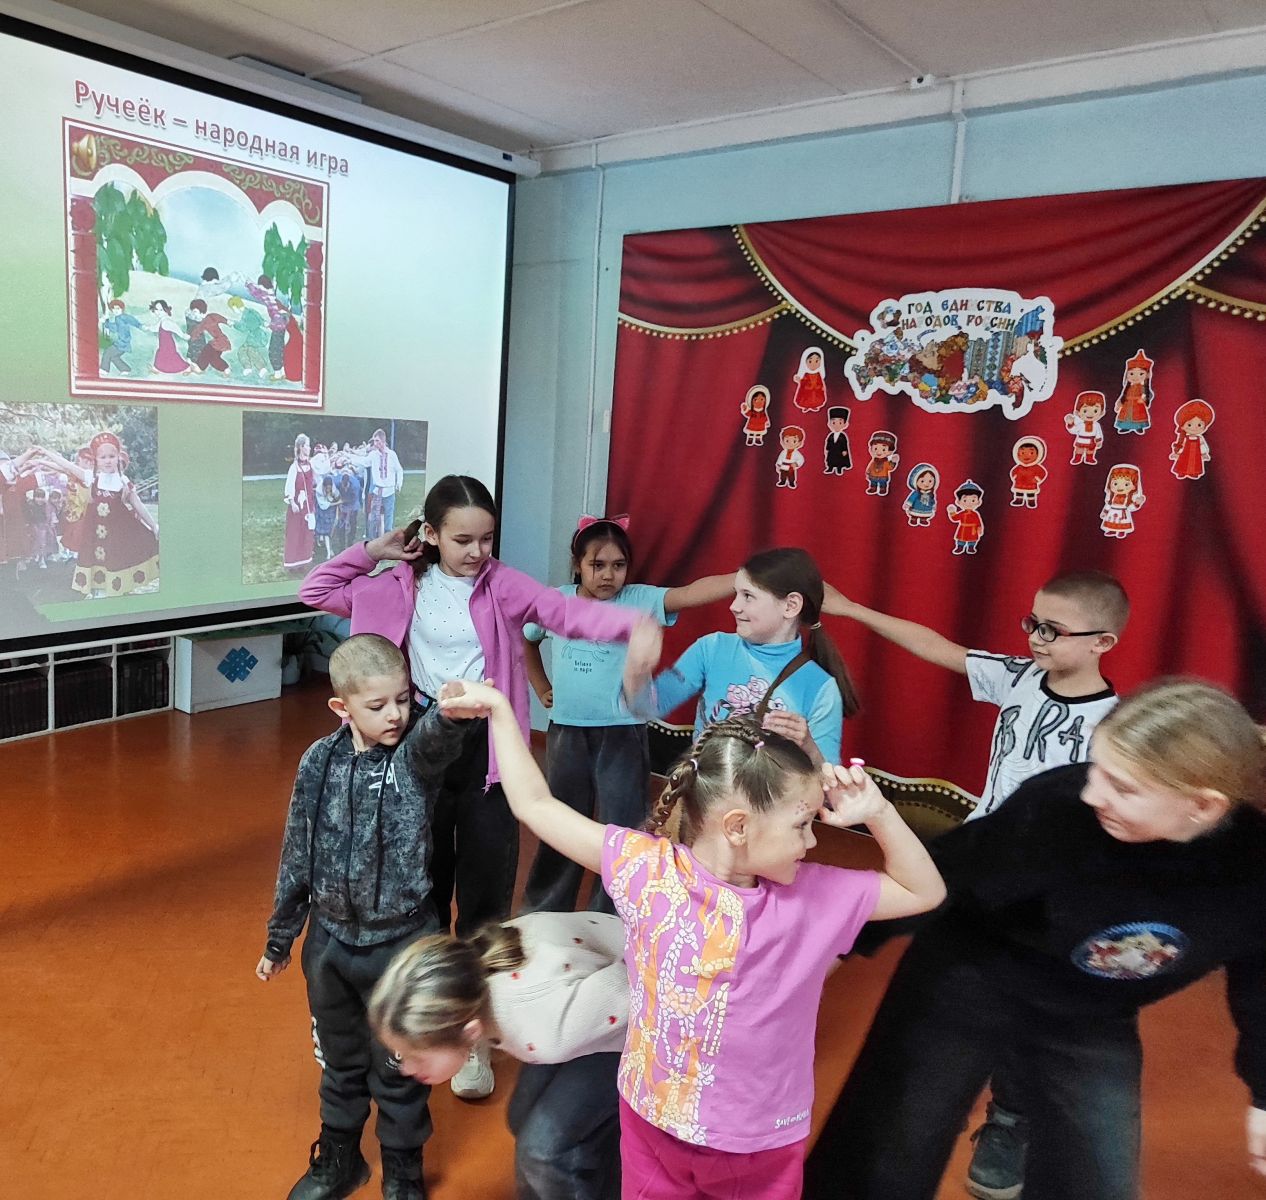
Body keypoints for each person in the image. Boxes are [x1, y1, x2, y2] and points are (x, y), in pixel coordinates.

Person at [438, 679, 946, 1200]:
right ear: (738, 826)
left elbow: (924, 891)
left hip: (757, 1147)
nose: (812, 841)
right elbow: (535, 805)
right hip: (651, 1128)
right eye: (801, 825)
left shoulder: (814, 895)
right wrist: (499, 707)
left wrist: (879, 811)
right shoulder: (647, 870)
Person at [804, 678, 1266, 1200]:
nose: (1092, 794)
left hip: (1090, 1012)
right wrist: (839, 943)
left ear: (1203, 806)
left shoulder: (1252, 869)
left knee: (1096, 1180)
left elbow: (1261, 979)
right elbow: (946, 876)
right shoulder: (1059, 807)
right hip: (971, 974)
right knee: (891, 1143)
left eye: (1123, 787)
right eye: (1096, 769)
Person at [299, 475, 660, 1100]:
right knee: (423, 887)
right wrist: (375, 550)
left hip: (489, 750)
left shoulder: (503, 585)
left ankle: (474, 1038)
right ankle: (423, 1014)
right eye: (462, 539)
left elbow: (564, 612)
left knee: (486, 888)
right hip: (417, 746)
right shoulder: (392, 585)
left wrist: (632, 625)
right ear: (431, 534)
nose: (476, 551)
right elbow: (315, 590)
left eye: (486, 539)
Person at [831, 569, 1128, 1197]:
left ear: (1102, 642)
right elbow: (938, 647)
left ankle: (1011, 1118)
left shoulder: (1116, 727)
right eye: (1032, 622)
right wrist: (855, 609)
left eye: (1053, 630)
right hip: (975, 862)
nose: (1036, 637)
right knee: (941, 986)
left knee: (1031, 1005)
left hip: (1046, 893)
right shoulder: (1019, 676)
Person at [255, 634, 465, 1200]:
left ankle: (403, 1169)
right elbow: (296, 851)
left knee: (399, 1068)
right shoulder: (317, 762)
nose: (395, 714)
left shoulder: (413, 759)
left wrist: (451, 715)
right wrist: (280, 937)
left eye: (403, 699)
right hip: (330, 947)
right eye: (377, 705)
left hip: (403, 945)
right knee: (340, 1060)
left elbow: (435, 740)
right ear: (341, 707)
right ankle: (340, 1158)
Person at [521, 514, 735, 914]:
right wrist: (541, 685)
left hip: (623, 733)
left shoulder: (640, 599)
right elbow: (527, 640)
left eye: (618, 565)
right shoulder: (556, 601)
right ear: (577, 564)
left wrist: (742, 579)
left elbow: (691, 593)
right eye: (597, 565)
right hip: (566, 732)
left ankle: (613, 914)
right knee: (561, 821)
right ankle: (545, 909)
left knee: (623, 828)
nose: (608, 575)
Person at [369, 909, 630, 1200]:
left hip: (632, 1036)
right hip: (588, 1019)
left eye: (417, 1057)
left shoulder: (545, 1027)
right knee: (520, 1118)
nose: (405, 1069)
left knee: (544, 1152)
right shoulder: (477, 973)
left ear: (470, 1032)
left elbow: (636, 986)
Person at [624, 546, 859, 765]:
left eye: (748, 596)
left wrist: (808, 747)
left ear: (790, 606)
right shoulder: (712, 648)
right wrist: (636, 668)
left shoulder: (822, 688)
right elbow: (646, 707)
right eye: (736, 594)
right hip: (703, 793)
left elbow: (829, 783)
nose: (734, 606)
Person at [33, 434, 160, 598]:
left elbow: (138, 504)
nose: (108, 461)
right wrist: (45, 453)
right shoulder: (92, 478)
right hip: (94, 537)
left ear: (118, 457)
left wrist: (153, 525)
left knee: (115, 563)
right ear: (97, 460)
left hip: (116, 536)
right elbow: (67, 466)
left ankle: (117, 591)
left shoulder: (123, 481)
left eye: (111, 456)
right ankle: (99, 592)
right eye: (103, 457)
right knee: (97, 566)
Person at [284, 434, 317, 574]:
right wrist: (292, 502)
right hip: (298, 506)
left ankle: (303, 561)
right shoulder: (294, 467)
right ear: (301, 447)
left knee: (306, 534)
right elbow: (289, 486)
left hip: (308, 506)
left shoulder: (310, 465)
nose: (309, 448)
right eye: (307, 445)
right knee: (295, 534)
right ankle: (293, 563)